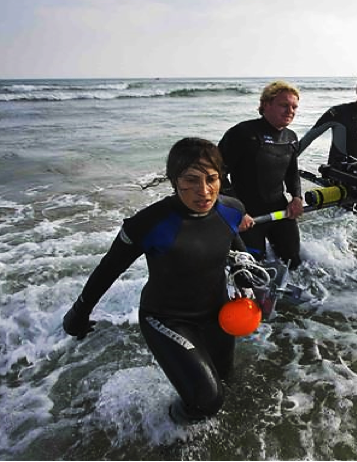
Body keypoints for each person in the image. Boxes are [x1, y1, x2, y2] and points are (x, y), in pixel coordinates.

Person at [62, 137, 250, 423]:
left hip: (217, 314)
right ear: (174, 180)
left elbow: (233, 242)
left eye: (212, 179)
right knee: (206, 401)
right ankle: (171, 427)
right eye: (191, 180)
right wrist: (79, 312)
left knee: (224, 381)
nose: (204, 191)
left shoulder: (231, 209)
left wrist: (246, 281)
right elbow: (108, 269)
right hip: (167, 318)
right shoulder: (149, 223)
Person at [218, 80, 304, 269]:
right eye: (284, 105)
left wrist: (296, 197)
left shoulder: (291, 137)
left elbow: (291, 172)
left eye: (294, 106)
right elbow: (217, 174)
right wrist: (237, 212)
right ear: (266, 105)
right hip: (248, 217)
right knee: (253, 270)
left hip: (280, 212)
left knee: (293, 262)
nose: (290, 110)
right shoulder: (242, 133)